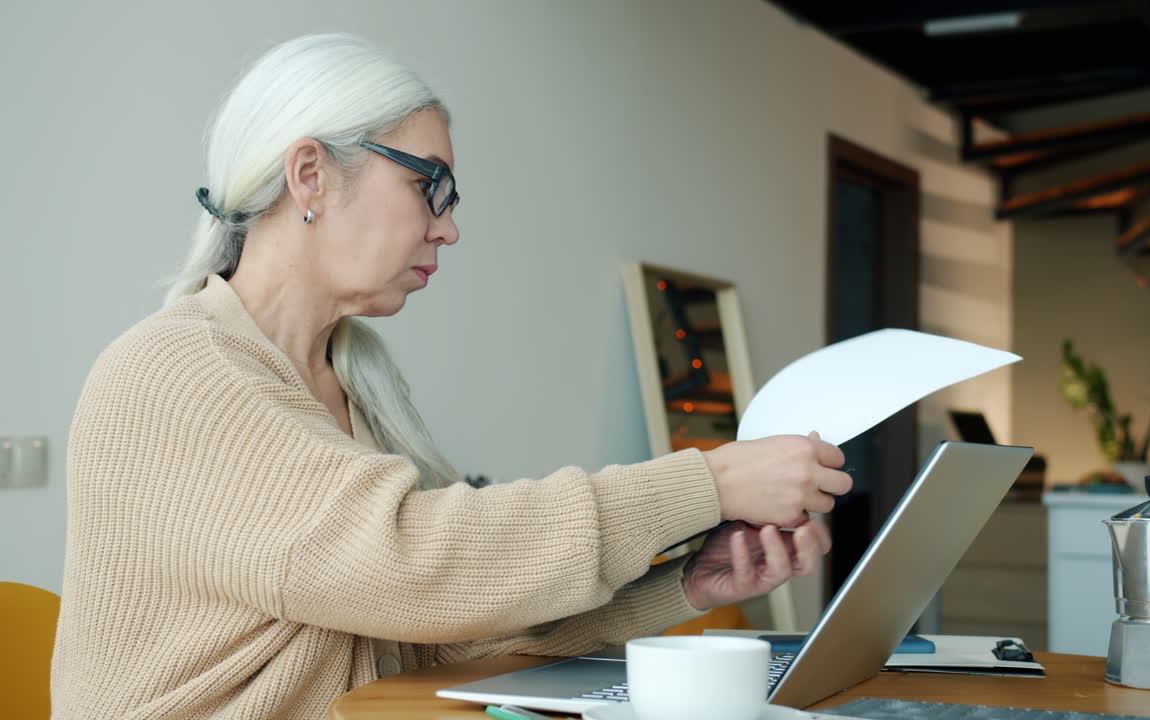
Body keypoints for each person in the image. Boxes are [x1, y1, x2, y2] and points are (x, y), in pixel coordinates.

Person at [49, 33, 851, 719]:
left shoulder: (357, 381)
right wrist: (703, 482)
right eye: (427, 185)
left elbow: (445, 624)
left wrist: (684, 586)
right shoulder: (172, 371)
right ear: (310, 176)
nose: (450, 226)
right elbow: (407, 563)